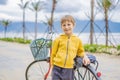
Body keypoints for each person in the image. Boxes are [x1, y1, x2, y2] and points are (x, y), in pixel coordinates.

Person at [50, 15, 90, 80]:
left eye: (69, 24)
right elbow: (53, 54)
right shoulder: (58, 39)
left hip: (69, 68)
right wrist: (52, 66)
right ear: (61, 27)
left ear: (73, 25)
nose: (66, 27)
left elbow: (80, 51)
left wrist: (85, 56)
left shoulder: (77, 40)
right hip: (57, 67)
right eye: (64, 25)